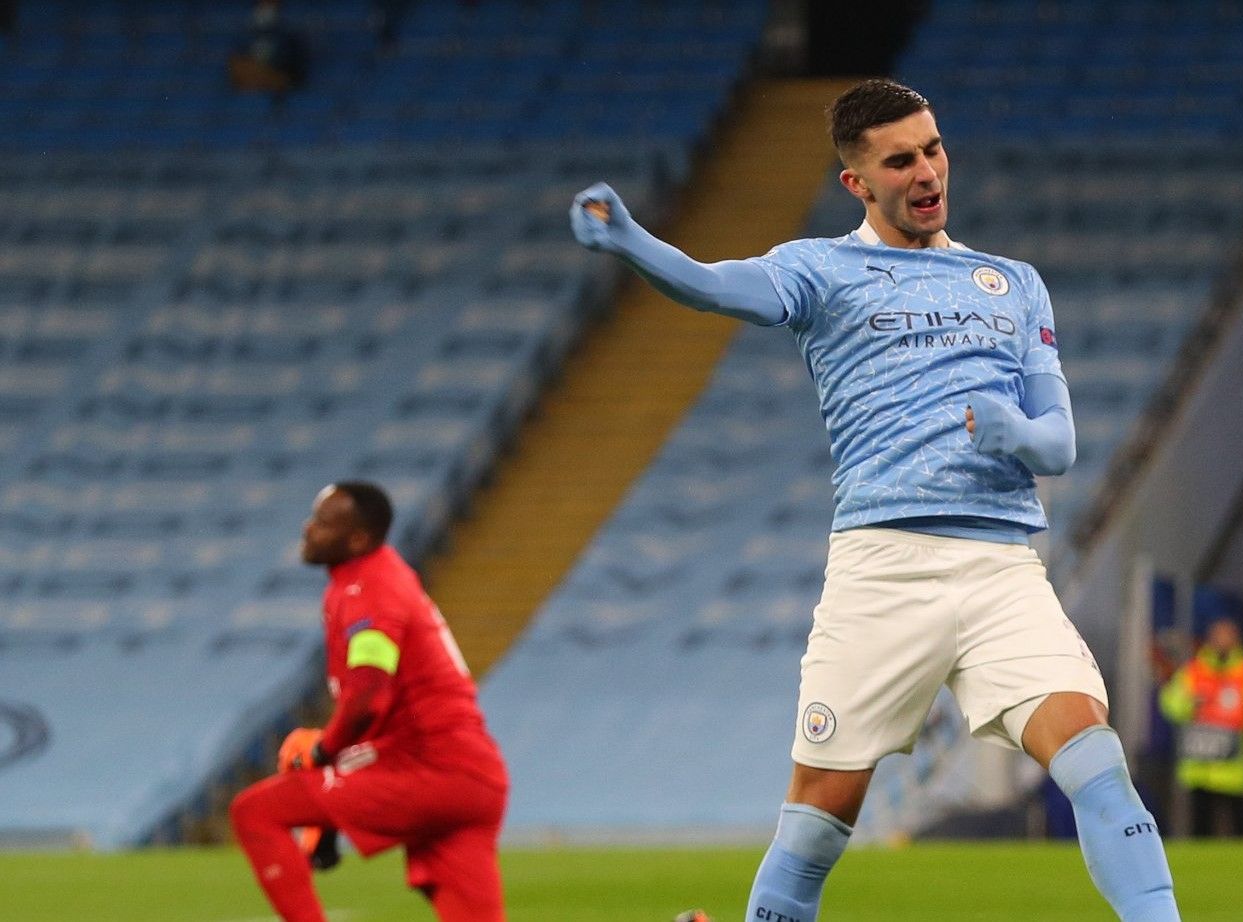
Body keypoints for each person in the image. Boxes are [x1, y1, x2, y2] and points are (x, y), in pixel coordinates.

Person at [570, 79, 1180, 921]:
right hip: (883, 570)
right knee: (818, 820)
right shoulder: (820, 270)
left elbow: (1060, 445)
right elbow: (714, 287)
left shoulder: (1012, 283)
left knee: (1095, 761)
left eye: (933, 149)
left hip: (1001, 568)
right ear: (856, 182)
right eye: (900, 161)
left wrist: (1012, 430)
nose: (927, 172)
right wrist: (631, 240)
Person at [230, 482, 510, 922]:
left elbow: (368, 697)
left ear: (358, 539)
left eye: (324, 523)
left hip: (427, 769)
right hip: (473, 778)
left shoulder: (371, 591)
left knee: (256, 812)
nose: (308, 529)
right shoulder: (375, 577)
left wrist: (323, 753)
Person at [1158, 616, 1243, 837]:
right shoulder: (1194, 672)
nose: (1222, 643)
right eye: (1218, 637)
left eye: (1226, 637)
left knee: (1241, 830)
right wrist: (1190, 703)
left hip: (1235, 772)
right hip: (1200, 771)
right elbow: (1170, 704)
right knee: (1200, 831)